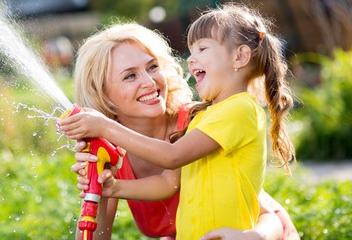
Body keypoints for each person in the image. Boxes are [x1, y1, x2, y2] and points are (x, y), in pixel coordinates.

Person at [62, 18, 298, 239]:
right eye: (130, 76)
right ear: (103, 95)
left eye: (152, 67)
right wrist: (100, 187)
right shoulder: (109, 148)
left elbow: (266, 215)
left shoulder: (199, 119)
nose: (149, 81)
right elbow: (97, 233)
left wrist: (256, 237)